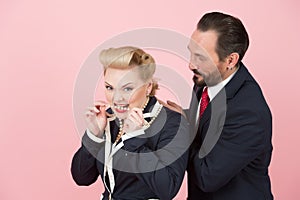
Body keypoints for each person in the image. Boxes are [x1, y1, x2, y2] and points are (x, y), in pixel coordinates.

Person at [166, 12, 273, 199]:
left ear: (230, 60)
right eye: (191, 52)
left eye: (201, 57)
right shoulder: (207, 79)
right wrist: (170, 116)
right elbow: (206, 123)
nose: (191, 64)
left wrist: (182, 129)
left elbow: (207, 176)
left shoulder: (249, 113)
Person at [71, 46, 189, 200]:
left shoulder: (173, 123)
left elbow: (167, 189)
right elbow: (82, 178)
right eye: (109, 88)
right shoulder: (109, 118)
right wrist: (94, 135)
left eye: (127, 89)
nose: (116, 98)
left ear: (148, 87)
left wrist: (135, 138)